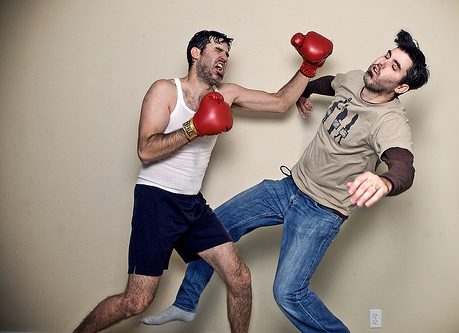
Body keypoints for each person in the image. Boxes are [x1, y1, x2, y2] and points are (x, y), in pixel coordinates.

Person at [142, 29, 430, 332]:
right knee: (215, 228)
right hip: (289, 187)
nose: (381, 63)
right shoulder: (355, 78)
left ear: (402, 87)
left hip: (322, 211)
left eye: (394, 67)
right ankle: (186, 303)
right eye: (387, 56)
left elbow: (403, 166)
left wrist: (385, 182)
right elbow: (326, 83)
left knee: (288, 293)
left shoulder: (390, 121)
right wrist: (305, 93)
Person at [73, 29, 333, 333]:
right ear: (196, 53)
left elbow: (279, 102)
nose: (223, 57)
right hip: (157, 200)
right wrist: (194, 127)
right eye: (217, 50)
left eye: (227, 54)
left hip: (192, 205)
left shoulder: (226, 94)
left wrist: (308, 68)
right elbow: (145, 150)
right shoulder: (165, 90)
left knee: (240, 278)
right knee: (136, 300)